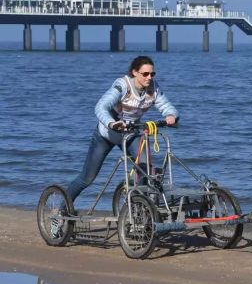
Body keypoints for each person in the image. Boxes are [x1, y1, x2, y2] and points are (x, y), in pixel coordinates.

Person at [66, 56, 179, 204]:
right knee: (87, 179)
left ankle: (137, 210)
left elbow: (167, 107)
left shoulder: (154, 88)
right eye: (145, 74)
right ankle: (63, 207)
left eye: (152, 74)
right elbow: (100, 107)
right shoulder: (122, 86)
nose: (149, 77)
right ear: (134, 73)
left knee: (145, 170)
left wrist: (171, 116)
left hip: (131, 133)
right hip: (107, 134)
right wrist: (112, 123)